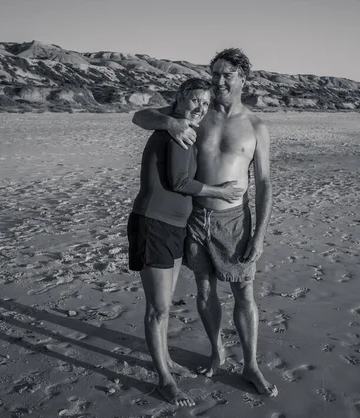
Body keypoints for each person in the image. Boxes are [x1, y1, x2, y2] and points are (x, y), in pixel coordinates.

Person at [132, 48, 278, 397]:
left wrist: (259, 235)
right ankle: (217, 351)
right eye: (215, 73)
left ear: (243, 78)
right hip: (195, 217)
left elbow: (265, 183)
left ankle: (251, 365)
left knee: (243, 291)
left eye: (227, 74)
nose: (219, 80)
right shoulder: (198, 113)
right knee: (205, 290)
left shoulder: (256, 126)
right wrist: (170, 121)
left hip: (235, 220)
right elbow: (140, 116)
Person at [127, 78, 245, 406]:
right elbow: (180, 182)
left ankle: (166, 361)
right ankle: (164, 380)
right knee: (159, 309)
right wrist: (220, 191)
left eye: (204, 104)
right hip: (156, 224)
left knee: (163, 306)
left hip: (174, 226)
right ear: (179, 100)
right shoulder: (176, 131)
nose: (200, 108)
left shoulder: (185, 130)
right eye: (194, 101)